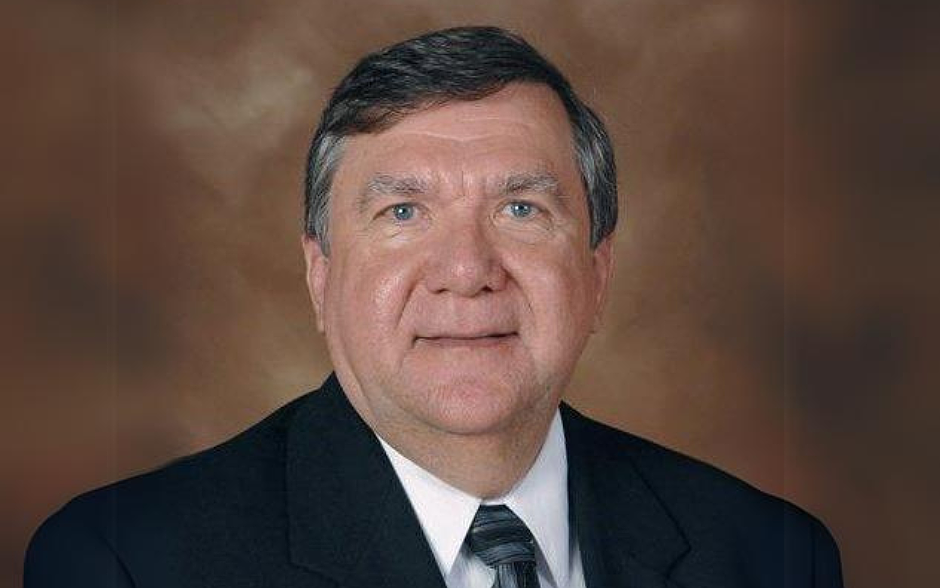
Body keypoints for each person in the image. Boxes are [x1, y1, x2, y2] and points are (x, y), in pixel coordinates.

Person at [24, 26, 843, 588]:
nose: (466, 270)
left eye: (522, 208)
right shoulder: (125, 563)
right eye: (402, 213)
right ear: (320, 274)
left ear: (597, 273)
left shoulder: (770, 557)